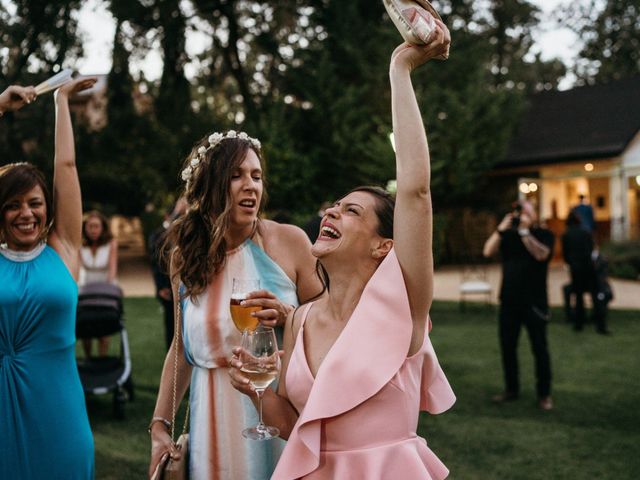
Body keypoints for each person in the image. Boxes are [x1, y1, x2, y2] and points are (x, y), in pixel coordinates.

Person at [230, 26, 455, 479]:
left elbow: (416, 191)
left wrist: (401, 69)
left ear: (383, 245)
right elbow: (296, 429)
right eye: (334, 205)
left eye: (351, 210)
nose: (331, 211)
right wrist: (258, 390)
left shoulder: (403, 305)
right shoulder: (299, 319)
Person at [148, 130, 323, 479]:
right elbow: (181, 347)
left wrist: (290, 318)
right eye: (236, 176)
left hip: (279, 416)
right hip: (210, 420)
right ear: (210, 185)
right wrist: (159, 423)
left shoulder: (289, 242)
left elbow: (331, 326)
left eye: (256, 176)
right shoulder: (185, 255)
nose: (251, 186)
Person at [0, 76, 97, 479]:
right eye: (13, 205)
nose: (26, 213)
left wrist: (61, 102)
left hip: (58, 407)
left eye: (35, 203)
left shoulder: (64, 249)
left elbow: (66, 166)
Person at [483, 200, 555, 410]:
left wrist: (525, 233)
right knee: (508, 347)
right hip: (509, 301)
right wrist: (500, 229)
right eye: (517, 211)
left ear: (534, 214)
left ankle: (544, 394)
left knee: (540, 348)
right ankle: (511, 389)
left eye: (525, 211)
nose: (520, 214)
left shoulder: (543, 234)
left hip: (535, 302)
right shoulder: (509, 235)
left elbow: (542, 255)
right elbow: (487, 251)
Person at [148, 198, 188, 350]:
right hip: (167, 288)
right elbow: (155, 262)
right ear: (167, 215)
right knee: (172, 327)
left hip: (190, 287)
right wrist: (161, 287)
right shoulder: (158, 234)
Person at [77, 209, 118, 357]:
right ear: (85, 227)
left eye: (96, 226)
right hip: (85, 286)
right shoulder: (79, 244)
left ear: (102, 228)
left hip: (105, 286)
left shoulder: (111, 243)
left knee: (103, 327)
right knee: (85, 327)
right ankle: (88, 358)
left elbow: (112, 268)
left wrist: (108, 290)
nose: (93, 230)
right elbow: (78, 268)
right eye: (90, 226)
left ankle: (102, 358)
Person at [562, 210, 594, 330]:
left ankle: (579, 322)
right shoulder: (585, 232)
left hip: (575, 267)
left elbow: (565, 254)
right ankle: (596, 319)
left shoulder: (567, 234)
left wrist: (570, 262)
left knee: (578, 294)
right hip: (587, 266)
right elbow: (590, 249)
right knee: (591, 292)